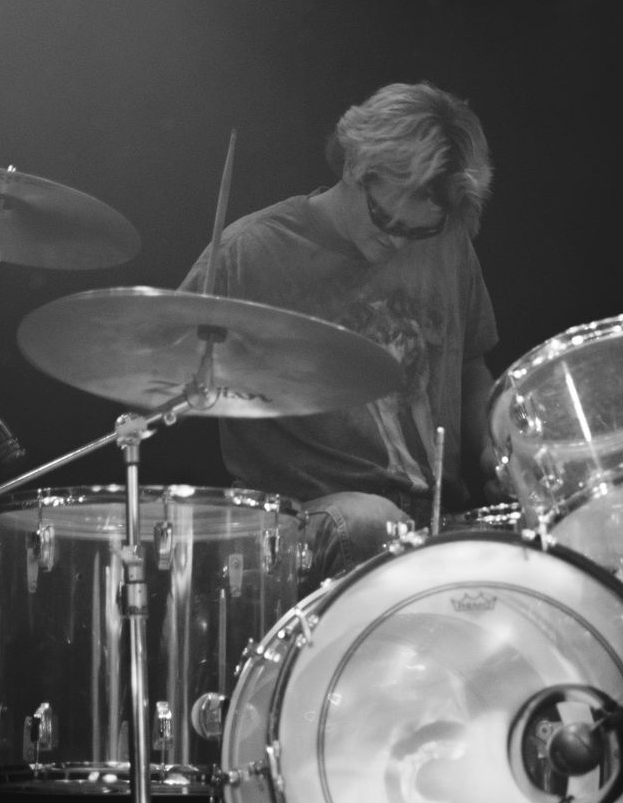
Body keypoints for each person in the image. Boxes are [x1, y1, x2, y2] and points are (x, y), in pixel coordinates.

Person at [179, 81, 498, 582]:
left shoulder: (449, 245)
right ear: (354, 165)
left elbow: (472, 368)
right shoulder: (249, 253)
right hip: (304, 524)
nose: (399, 242)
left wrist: (497, 450)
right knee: (370, 523)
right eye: (387, 219)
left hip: (435, 520)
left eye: (419, 230)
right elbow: (163, 360)